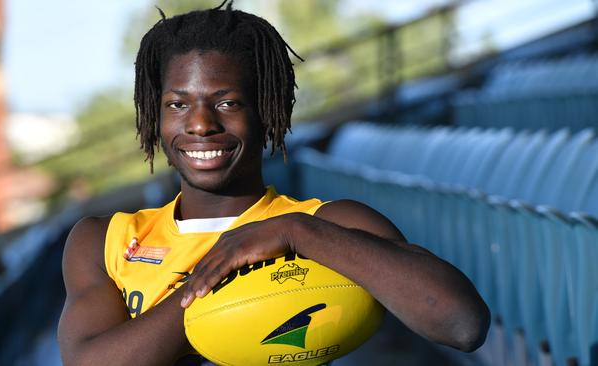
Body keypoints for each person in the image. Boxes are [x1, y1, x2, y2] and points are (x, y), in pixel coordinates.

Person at [57, 2, 490, 365]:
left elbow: (461, 323)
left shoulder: (325, 223)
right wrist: (218, 282)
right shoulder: (104, 240)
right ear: (156, 115)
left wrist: (293, 232)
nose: (201, 124)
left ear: (266, 111)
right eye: (178, 104)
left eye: (227, 102)